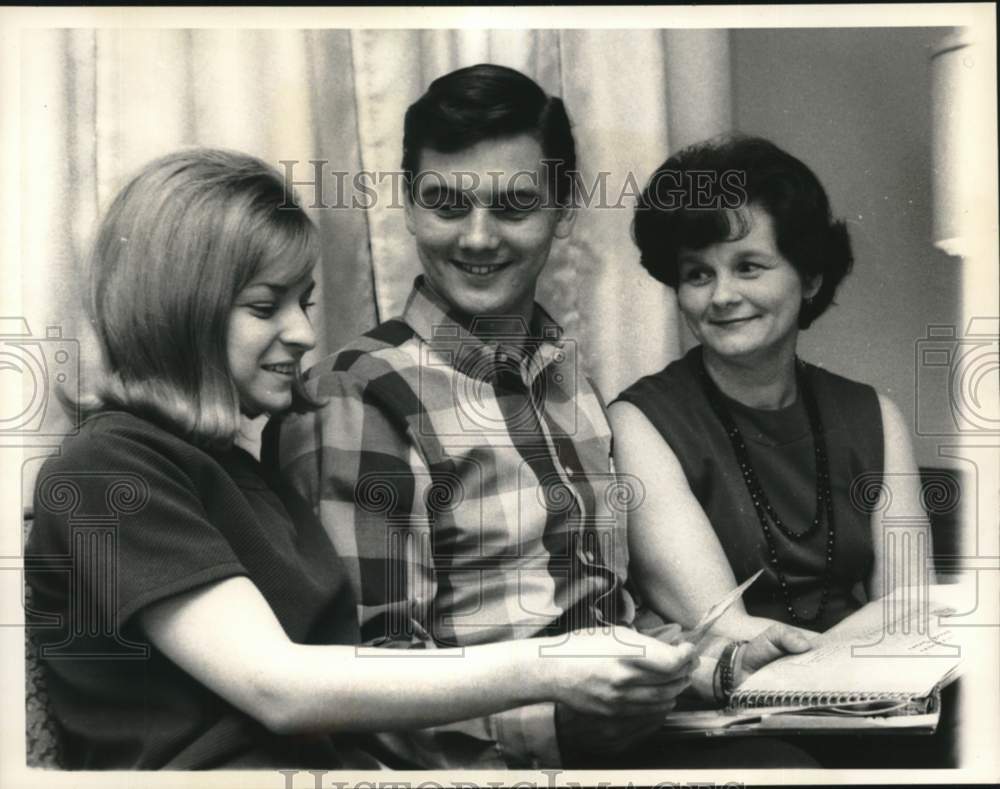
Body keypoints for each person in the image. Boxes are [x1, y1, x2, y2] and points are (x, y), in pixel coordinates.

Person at [25, 148, 712, 770]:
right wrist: (552, 667)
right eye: (266, 307)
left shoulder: (238, 466)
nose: (301, 334)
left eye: (305, 302)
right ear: (179, 311)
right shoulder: (108, 467)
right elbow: (278, 687)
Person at [265, 66, 813, 770]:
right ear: (407, 204)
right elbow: (366, 686)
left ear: (565, 209)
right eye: (446, 204)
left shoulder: (564, 375)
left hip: (631, 746)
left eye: (515, 205)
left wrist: (720, 662)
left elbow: (608, 617)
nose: (478, 237)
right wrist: (558, 725)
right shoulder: (359, 393)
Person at [611, 135, 935, 642]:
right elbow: (721, 629)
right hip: (733, 704)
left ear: (809, 278)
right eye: (698, 274)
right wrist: (864, 640)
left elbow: (916, 610)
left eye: (748, 267)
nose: (721, 296)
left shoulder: (871, 415)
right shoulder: (642, 423)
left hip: (873, 701)